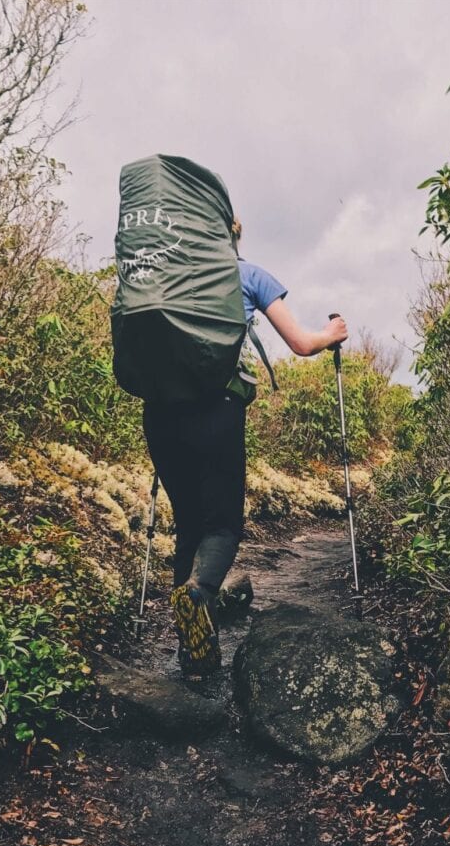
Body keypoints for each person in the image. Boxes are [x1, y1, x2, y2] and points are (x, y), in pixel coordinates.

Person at [146, 215, 348, 676]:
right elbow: (300, 344)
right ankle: (200, 592)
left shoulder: (165, 277)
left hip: (160, 414)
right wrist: (330, 334)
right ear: (233, 237)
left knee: (189, 526)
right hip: (216, 409)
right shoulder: (248, 274)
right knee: (222, 527)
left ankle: (193, 652)